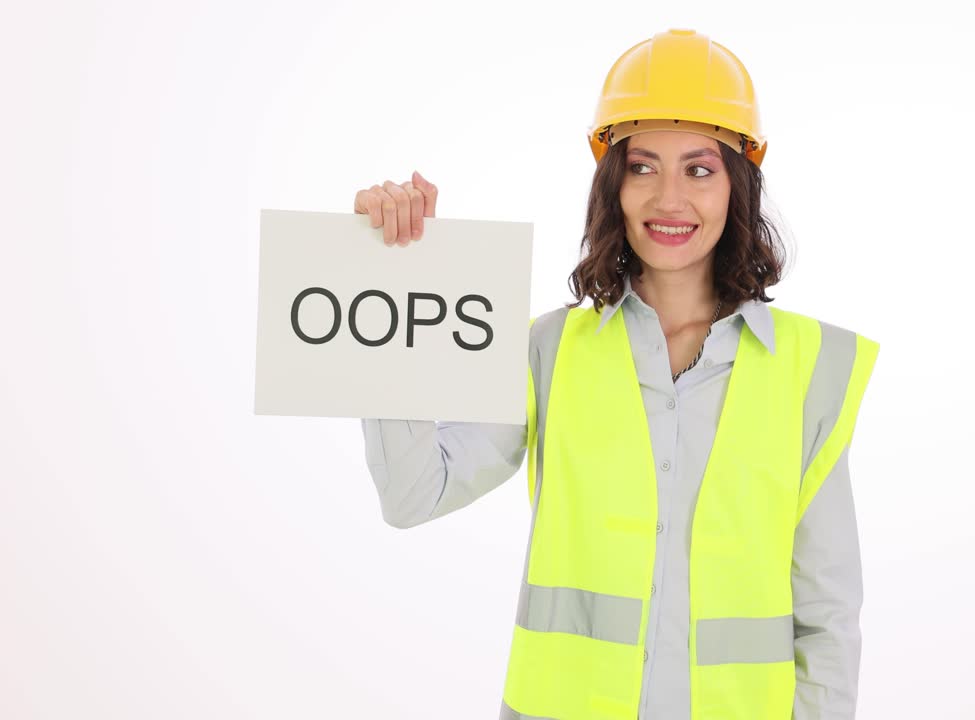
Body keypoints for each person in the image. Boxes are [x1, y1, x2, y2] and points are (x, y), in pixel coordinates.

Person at [353, 29, 879, 720]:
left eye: (698, 169)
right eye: (642, 167)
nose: (668, 198)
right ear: (613, 182)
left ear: (737, 182)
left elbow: (826, 618)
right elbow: (414, 494)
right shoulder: (549, 351)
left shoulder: (807, 370)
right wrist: (387, 281)